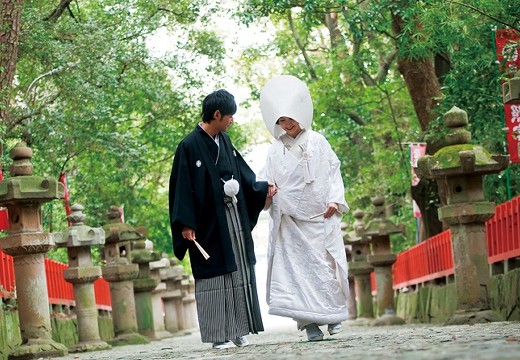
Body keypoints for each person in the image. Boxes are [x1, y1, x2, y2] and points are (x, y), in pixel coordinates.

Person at [169, 89, 277, 349]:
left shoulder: (225, 142)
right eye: (230, 116)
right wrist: (186, 223)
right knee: (214, 276)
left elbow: (242, 175)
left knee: (238, 269)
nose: (232, 121)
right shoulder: (188, 145)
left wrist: (261, 188)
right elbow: (181, 188)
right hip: (206, 223)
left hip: (232, 217)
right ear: (217, 114)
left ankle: (238, 329)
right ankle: (218, 335)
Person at [258, 75, 350, 341]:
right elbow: (266, 177)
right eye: (281, 122)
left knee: (323, 267)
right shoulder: (275, 150)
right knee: (295, 272)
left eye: (289, 120)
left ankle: (332, 315)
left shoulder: (318, 141)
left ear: (300, 116)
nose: (286, 126)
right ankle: (308, 324)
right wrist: (268, 188)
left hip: (318, 214)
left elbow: (333, 171)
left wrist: (334, 199)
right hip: (289, 219)